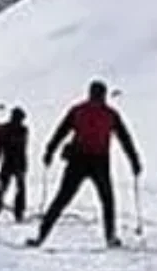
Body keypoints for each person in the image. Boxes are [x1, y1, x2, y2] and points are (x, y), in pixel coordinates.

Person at [28, 80, 141, 248]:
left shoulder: (78, 110)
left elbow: (61, 131)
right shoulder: (110, 114)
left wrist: (49, 151)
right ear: (103, 95)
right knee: (107, 201)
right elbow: (125, 139)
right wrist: (134, 161)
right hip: (99, 161)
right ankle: (110, 237)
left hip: (78, 161)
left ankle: (41, 237)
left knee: (62, 199)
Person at [0, 106, 29, 223]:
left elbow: (13, 143)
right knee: (5, 190)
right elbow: (0, 145)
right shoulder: (15, 129)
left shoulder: (21, 130)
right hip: (12, 164)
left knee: (16, 190)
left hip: (16, 163)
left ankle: (17, 214)